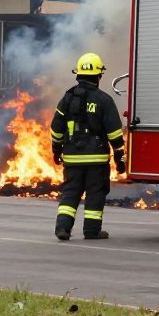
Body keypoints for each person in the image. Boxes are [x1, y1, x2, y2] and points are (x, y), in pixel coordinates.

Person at [49, 52, 126, 241]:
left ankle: (63, 228)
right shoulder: (104, 100)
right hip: (96, 160)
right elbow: (114, 132)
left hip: (72, 158)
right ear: (99, 75)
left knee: (70, 194)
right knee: (95, 193)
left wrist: (57, 150)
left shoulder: (67, 99)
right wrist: (119, 157)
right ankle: (91, 231)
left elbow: (56, 129)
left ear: (79, 74)